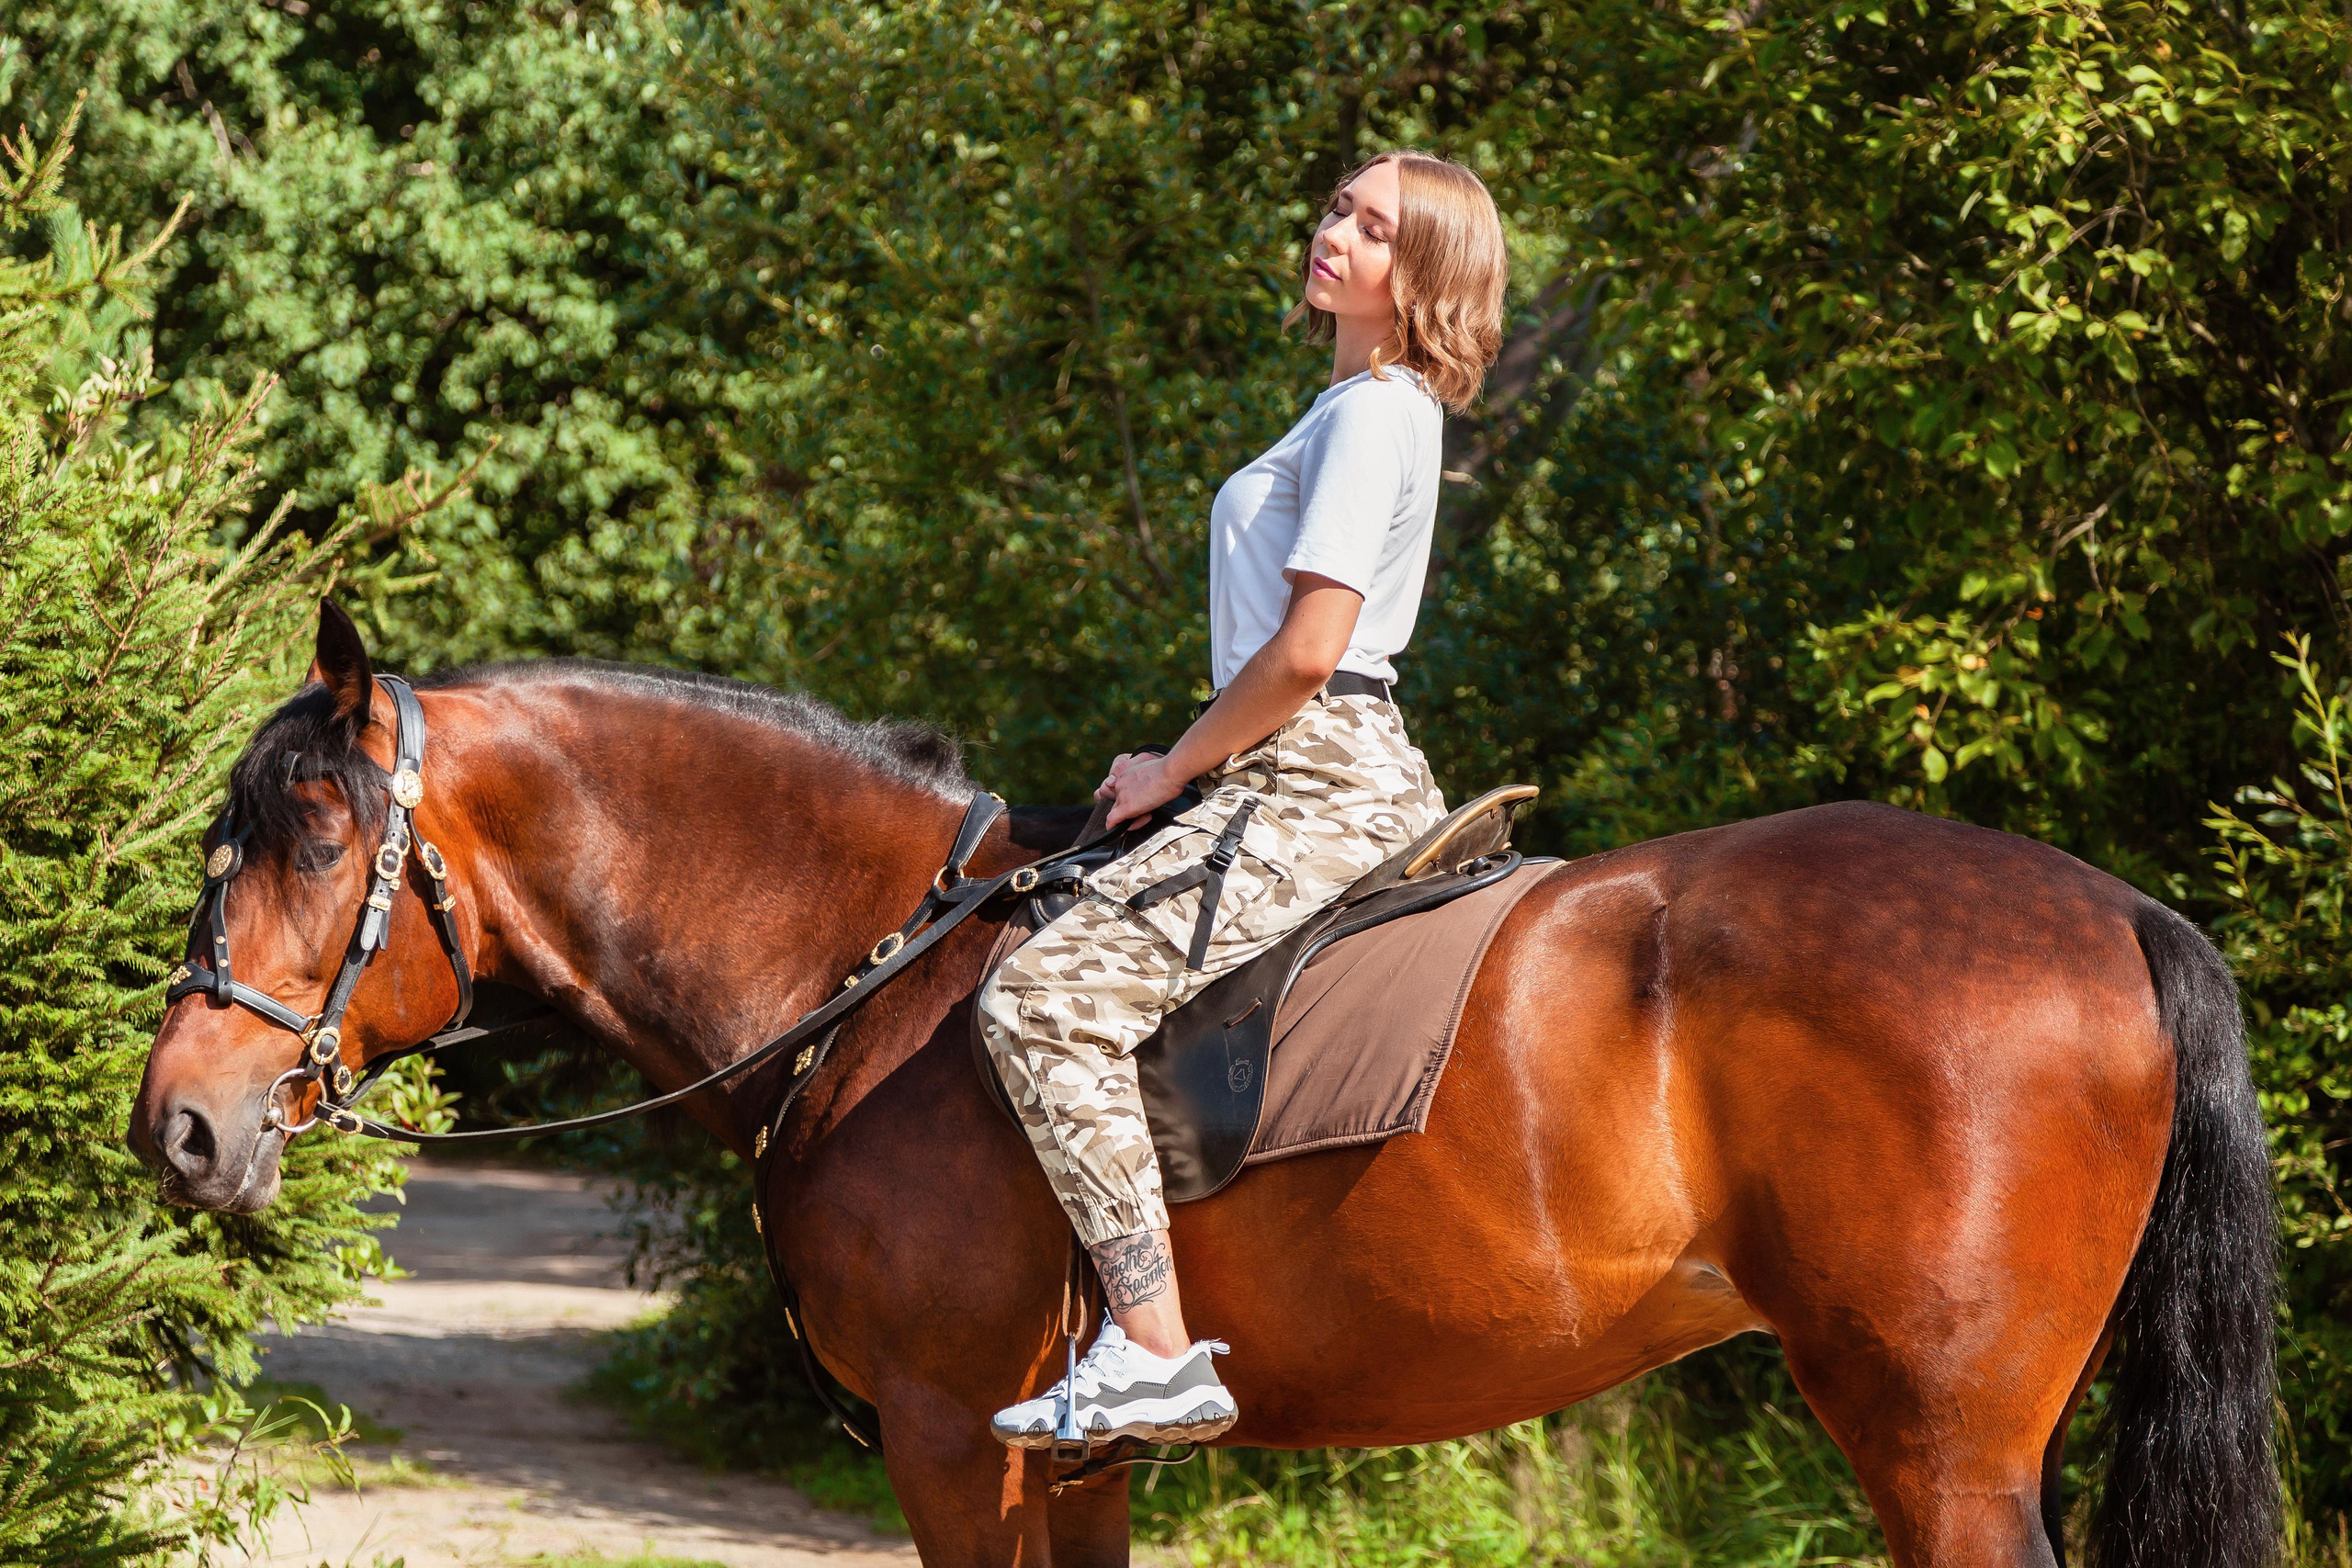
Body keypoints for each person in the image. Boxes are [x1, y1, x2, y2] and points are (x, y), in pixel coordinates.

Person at [978, 149, 1509, 1448]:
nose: (1337, 234)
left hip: (1316, 773)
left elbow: (1311, 650)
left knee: (1039, 1002)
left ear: (1424, 274)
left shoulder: (1374, 411)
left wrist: (1175, 765)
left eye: (1376, 230)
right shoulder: (1353, 410)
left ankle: (1154, 1353)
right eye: (1338, 209)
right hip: (1297, 757)